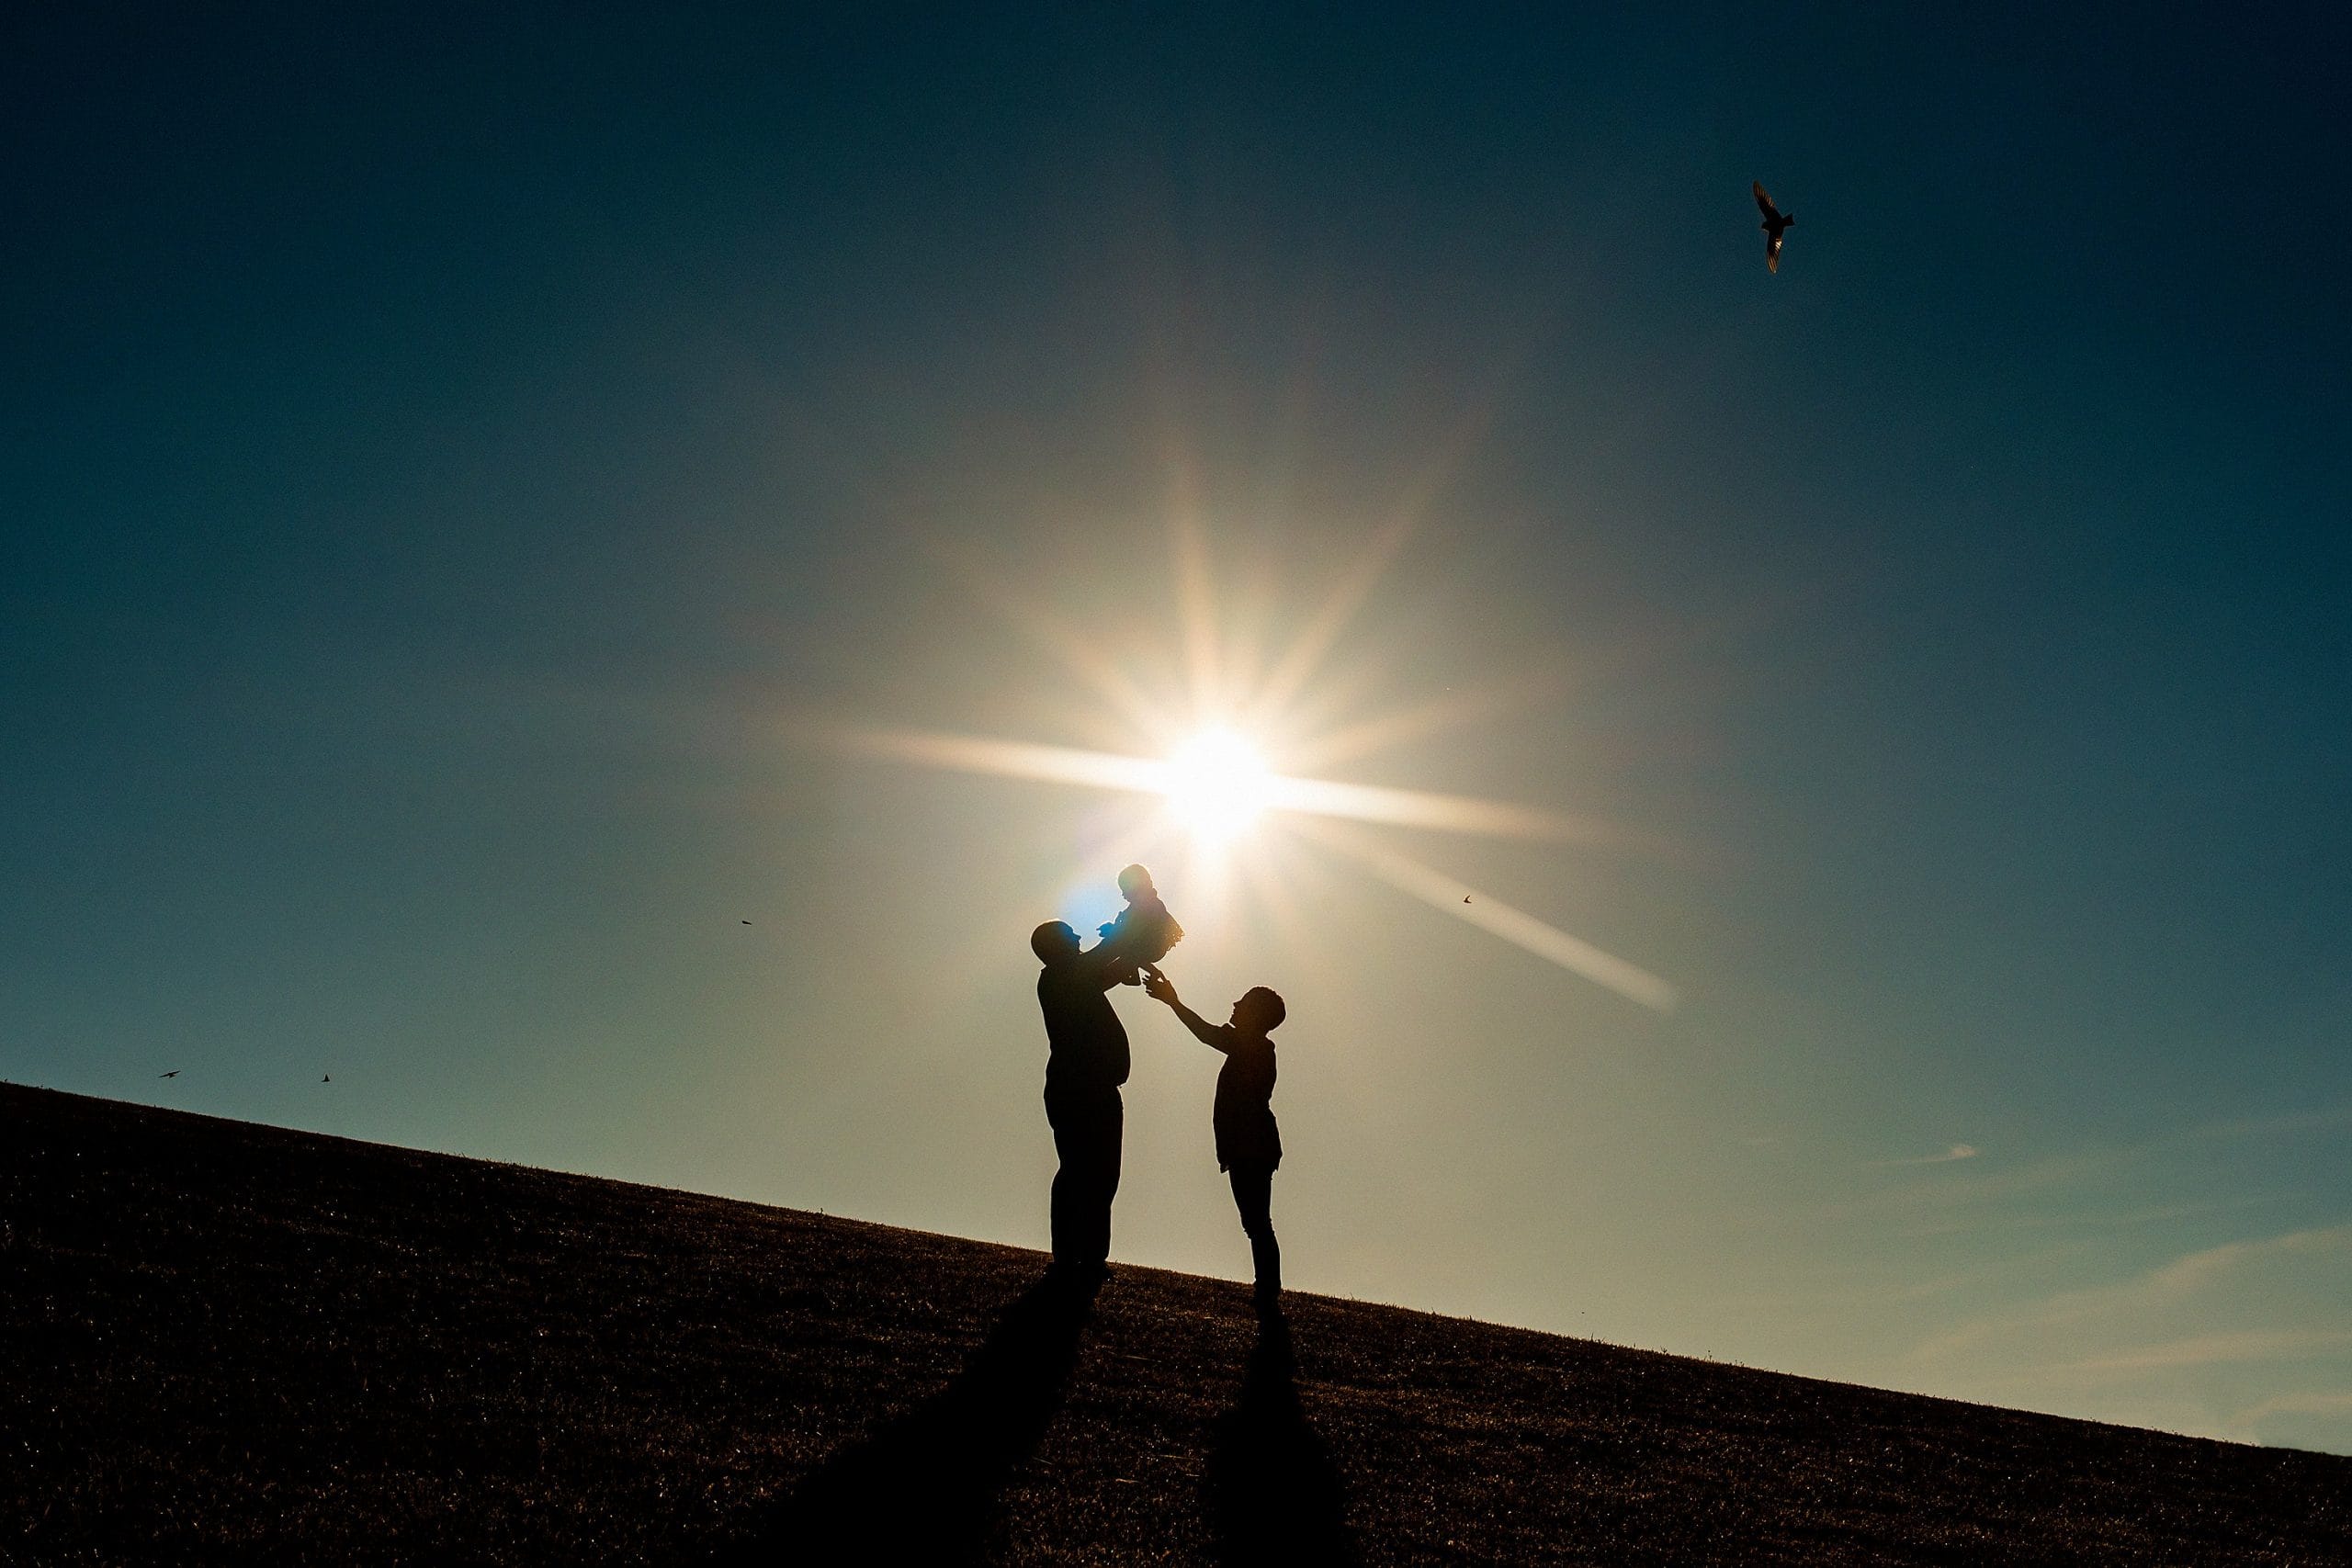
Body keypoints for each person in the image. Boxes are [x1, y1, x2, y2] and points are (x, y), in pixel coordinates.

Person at [1140, 964, 1285, 1309]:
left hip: (1252, 1146)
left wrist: (1173, 1002)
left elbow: (1206, 1034)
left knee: (1256, 1221)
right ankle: (1267, 1286)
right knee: (1255, 1221)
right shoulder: (1253, 1047)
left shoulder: (1254, 1047)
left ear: (1257, 1016)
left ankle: (1268, 1288)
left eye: (1245, 1002)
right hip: (1251, 1145)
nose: (1235, 1003)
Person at [1029, 918, 1153, 1285]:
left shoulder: (1074, 978)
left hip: (1094, 1087)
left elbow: (1109, 970)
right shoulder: (1058, 976)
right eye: (1070, 936)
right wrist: (1127, 928)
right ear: (1054, 947)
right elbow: (1104, 958)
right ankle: (1072, 1257)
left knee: (1101, 1175)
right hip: (1079, 1088)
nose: (1079, 937)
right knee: (1078, 1171)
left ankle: (1090, 1257)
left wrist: (1133, 945)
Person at [1095, 863, 1184, 987]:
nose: (1123, 895)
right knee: (1128, 954)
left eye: (1125, 890)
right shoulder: (1139, 905)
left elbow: (1129, 933)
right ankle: (1144, 972)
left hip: (1151, 945)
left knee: (1124, 957)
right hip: (1143, 946)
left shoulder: (1148, 904)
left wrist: (1113, 930)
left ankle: (1139, 974)